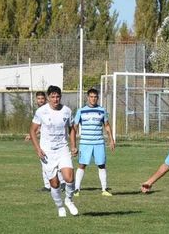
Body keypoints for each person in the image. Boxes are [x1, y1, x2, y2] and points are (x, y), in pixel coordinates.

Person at [26, 85, 79, 217]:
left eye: (58, 97)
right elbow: (32, 130)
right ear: (48, 98)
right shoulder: (41, 111)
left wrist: (73, 146)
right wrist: (38, 149)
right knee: (54, 183)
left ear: (60, 97)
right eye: (53, 97)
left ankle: (69, 200)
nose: (55, 99)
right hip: (47, 152)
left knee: (69, 177)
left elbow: (72, 129)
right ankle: (60, 206)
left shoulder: (66, 111)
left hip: (62, 149)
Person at [73, 88, 115, 196]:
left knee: (101, 165)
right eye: (91, 97)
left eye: (95, 97)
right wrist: (73, 145)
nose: (93, 99)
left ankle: (104, 189)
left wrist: (111, 139)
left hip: (99, 143)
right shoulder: (81, 111)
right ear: (88, 98)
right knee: (82, 165)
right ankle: (76, 189)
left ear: (98, 98)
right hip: (85, 143)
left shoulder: (102, 110)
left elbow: (107, 125)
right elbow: (74, 127)